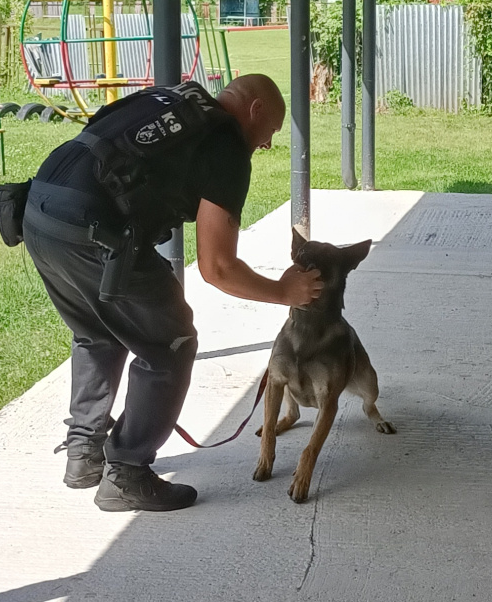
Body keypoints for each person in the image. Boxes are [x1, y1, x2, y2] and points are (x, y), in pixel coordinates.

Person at [20, 73, 321, 513]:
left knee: (98, 330)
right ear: (255, 110)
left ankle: (84, 454)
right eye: (270, 131)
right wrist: (284, 291)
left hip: (38, 214)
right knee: (170, 344)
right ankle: (126, 474)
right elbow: (218, 268)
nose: (267, 144)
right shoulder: (225, 143)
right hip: (94, 231)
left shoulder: (169, 97)